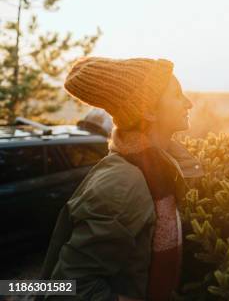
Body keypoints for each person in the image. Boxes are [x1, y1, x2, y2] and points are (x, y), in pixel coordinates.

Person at [40, 57, 202, 301]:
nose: (188, 103)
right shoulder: (122, 184)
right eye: (177, 95)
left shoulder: (161, 167)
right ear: (148, 111)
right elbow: (67, 288)